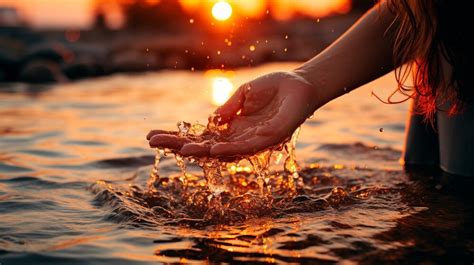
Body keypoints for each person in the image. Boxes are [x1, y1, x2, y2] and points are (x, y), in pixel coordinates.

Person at [147, 0, 473, 176]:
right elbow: (417, 11)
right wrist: (309, 80)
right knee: (423, 177)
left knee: (453, 205)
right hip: (449, 46)